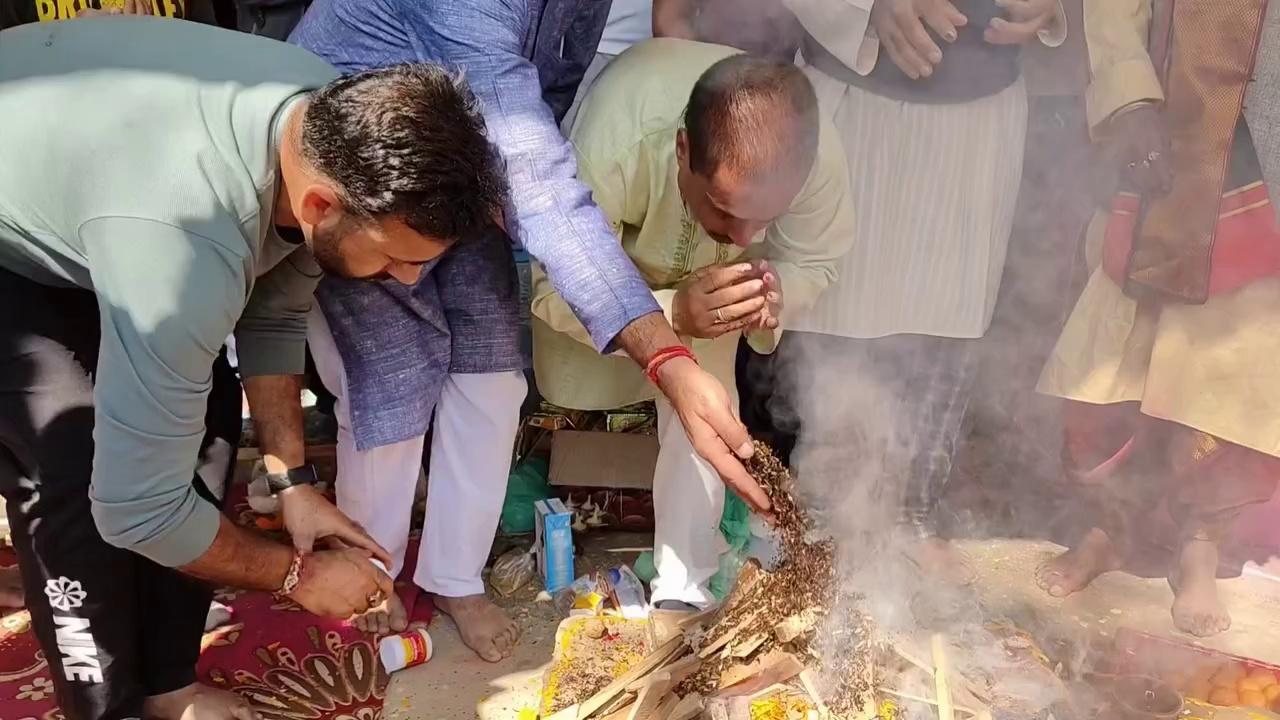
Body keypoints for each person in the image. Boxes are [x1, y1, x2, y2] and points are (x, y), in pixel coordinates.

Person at [0, 17, 507, 719]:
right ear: (320, 205)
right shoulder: (184, 248)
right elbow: (135, 509)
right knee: (75, 467)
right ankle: (106, 704)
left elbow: (272, 312)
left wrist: (291, 481)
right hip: (19, 238)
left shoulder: (333, 130)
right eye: (395, 257)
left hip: (103, 199)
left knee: (205, 423)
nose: (406, 280)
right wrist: (296, 575)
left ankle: (168, 683)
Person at [289, 0, 771, 662]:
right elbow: (535, 174)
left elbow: (547, 95)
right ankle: (369, 575)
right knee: (393, 381)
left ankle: (454, 579)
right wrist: (666, 358)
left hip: (462, 174)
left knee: (493, 380)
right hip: (365, 183)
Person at [737, 0, 1063, 585]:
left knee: (951, 314)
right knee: (832, 302)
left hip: (983, 111)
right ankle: (817, 514)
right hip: (858, 100)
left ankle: (910, 515)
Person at [537, 40, 854, 614]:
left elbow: (817, 261)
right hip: (615, 260)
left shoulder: (816, 156)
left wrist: (778, 291)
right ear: (682, 150)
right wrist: (668, 310)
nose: (742, 238)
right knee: (571, 372)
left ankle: (683, 588)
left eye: (766, 219)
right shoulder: (617, 144)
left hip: (712, 295)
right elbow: (549, 282)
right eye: (724, 209)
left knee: (705, 407)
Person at [1036, 0, 1280, 638]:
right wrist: (1128, 99)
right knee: (1126, 346)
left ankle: (1200, 544)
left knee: (1241, 353)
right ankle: (1110, 528)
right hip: (1180, 109)